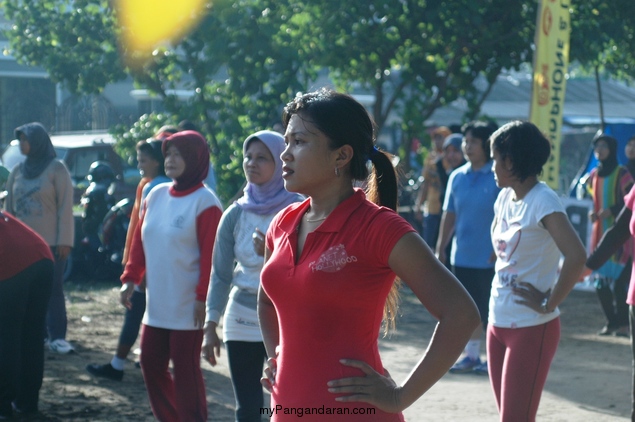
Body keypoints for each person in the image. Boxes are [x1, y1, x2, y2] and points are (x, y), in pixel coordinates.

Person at [257, 88, 480, 420]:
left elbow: (461, 315)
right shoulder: (282, 223)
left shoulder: (379, 228)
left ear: (341, 156)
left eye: (300, 142)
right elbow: (266, 300)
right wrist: (276, 356)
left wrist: (399, 396)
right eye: (286, 141)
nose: (285, 154)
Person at [487, 121, 586, 421]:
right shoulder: (504, 196)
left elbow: (576, 255)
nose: (492, 166)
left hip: (531, 327)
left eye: (495, 158)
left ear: (511, 160)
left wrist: (550, 302)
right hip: (496, 322)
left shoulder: (543, 200)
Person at [120, 131, 223, 421]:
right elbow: (141, 240)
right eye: (168, 153)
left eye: (179, 154)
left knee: (186, 372)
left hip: (188, 306)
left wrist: (203, 299)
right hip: (156, 304)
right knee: (150, 364)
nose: (170, 160)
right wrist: (130, 276)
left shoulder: (207, 202)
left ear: (195, 159)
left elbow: (211, 259)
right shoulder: (155, 194)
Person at [202, 130, 302, 421]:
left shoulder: (299, 209)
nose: (251, 163)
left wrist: (272, 255)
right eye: (248, 156)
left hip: (286, 317)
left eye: (262, 157)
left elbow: (310, 266)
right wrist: (211, 325)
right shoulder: (235, 214)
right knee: (247, 407)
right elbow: (220, 275)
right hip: (241, 315)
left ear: (280, 162)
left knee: (286, 402)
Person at [86, 139, 169, 381]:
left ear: (157, 161)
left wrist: (139, 269)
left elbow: (151, 231)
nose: (139, 165)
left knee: (138, 313)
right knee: (142, 315)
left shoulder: (157, 187)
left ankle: (123, 364)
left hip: (150, 264)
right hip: (146, 262)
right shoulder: (150, 184)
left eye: (143, 160)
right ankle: (126, 363)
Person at [4, 122, 75, 354]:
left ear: (37, 142)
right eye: (20, 140)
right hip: (22, 246)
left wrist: (65, 240)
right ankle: (37, 335)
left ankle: (57, 336)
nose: (22, 144)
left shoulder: (57, 169)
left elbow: (65, 207)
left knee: (53, 288)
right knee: (24, 291)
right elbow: (10, 211)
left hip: (51, 243)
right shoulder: (17, 171)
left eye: (25, 140)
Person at [435, 121, 500, 375]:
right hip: (461, 256)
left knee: (489, 309)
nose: (467, 146)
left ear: (486, 145)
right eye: (466, 141)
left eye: (472, 141)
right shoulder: (456, 177)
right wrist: (441, 246)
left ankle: (493, 359)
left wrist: (499, 249)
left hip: (491, 258)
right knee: (468, 308)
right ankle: (472, 357)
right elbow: (448, 214)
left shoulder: (498, 176)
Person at [0, 210, 54, 419]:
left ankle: (3, 404)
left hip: (14, 262)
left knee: (7, 334)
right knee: (31, 335)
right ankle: (27, 401)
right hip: (42, 257)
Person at [585, 134, 634, 336]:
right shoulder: (594, 175)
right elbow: (588, 195)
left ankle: (623, 324)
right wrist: (593, 212)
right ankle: (612, 322)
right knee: (600, 283)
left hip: (622, 238)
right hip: (601, 234)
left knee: (620, 285)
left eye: (604, 146)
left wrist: (612, 211)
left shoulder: (622, 174)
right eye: (597, 146)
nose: (600, 150)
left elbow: (628, 204)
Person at [413, 126, 452, 248]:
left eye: (440, 138)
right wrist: (419, 205)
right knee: (428, 245)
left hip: (447, 209)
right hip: (431, 207)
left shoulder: (453, 158)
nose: (437, 141)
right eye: (435, 138)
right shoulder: (430, 158)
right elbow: (425, 183)